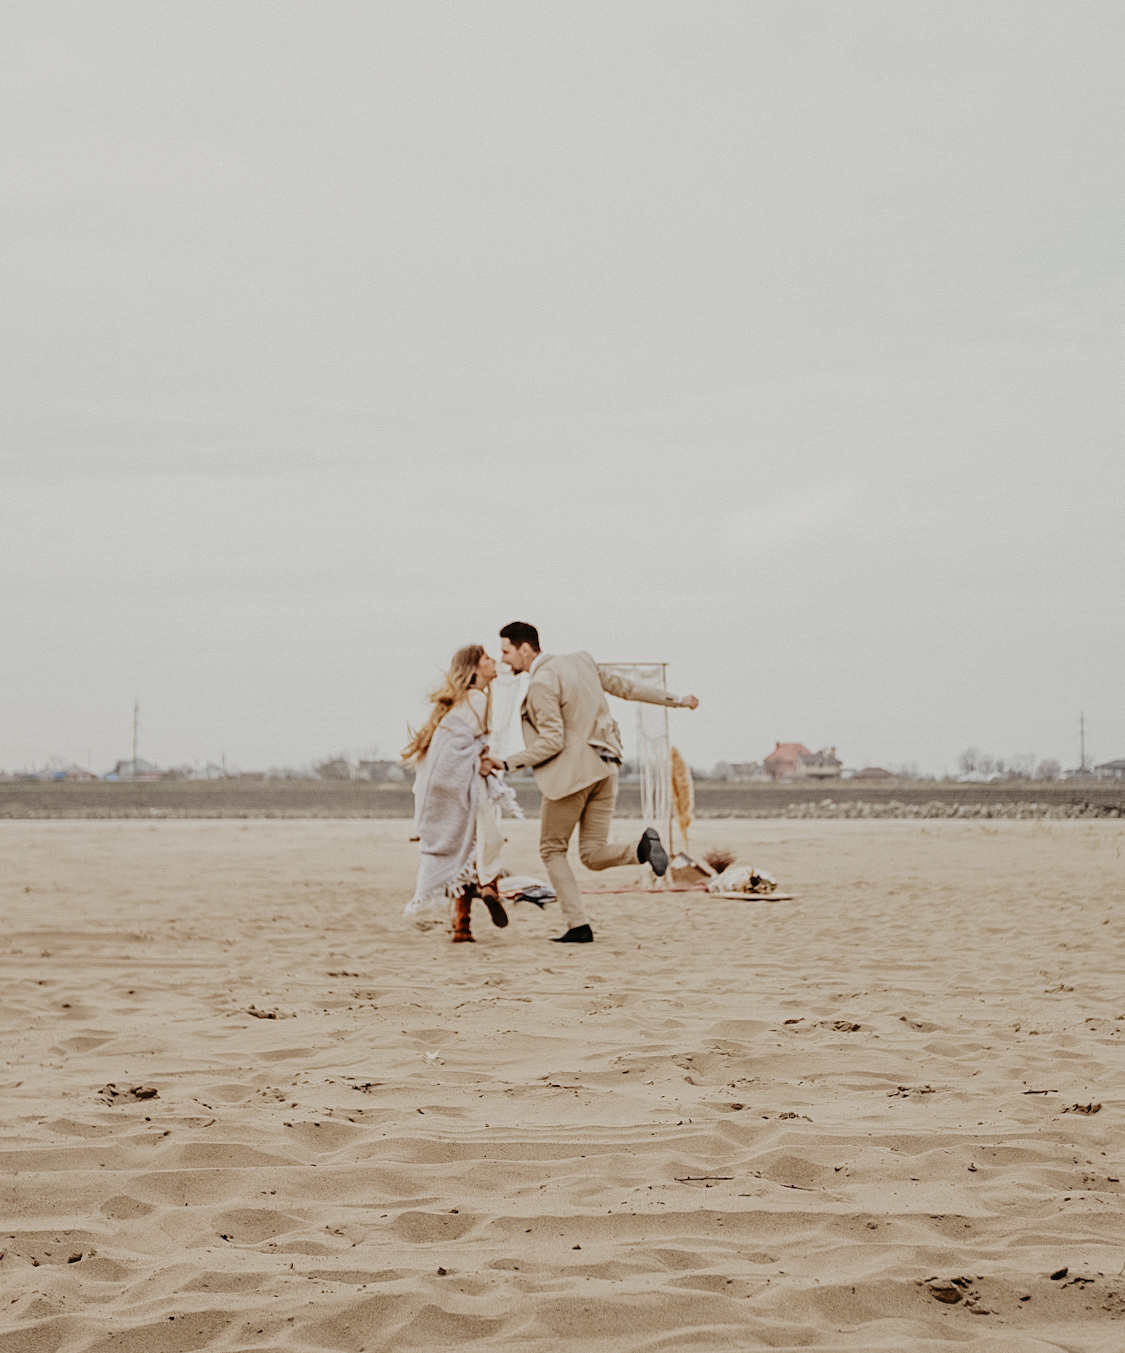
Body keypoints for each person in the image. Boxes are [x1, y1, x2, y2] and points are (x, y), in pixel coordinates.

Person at [481, 622, 699, 943]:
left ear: (525, 649)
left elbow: (552, 741)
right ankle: (641, 849)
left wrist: (506, 762)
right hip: (607, 769)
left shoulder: (541, 682)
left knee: (552, 850)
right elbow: (627, 687)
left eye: (506, 651)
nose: (503, 660)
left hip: (572, 778)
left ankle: (578, 925)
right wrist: (677, 700)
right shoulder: (581, 660)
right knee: (592, 854)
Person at [402, 644, 522, 943]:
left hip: (446, 782)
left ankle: (462, 925)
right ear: (474, 668)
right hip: (459, 782)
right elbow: (460, 746)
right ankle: (487, 888)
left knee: (466, 845)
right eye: (486, 658)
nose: (494, 661)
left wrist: (474, 757)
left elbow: (457, 745)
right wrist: (476, 761)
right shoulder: (477, 698)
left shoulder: (461, 702)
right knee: (480, 840)